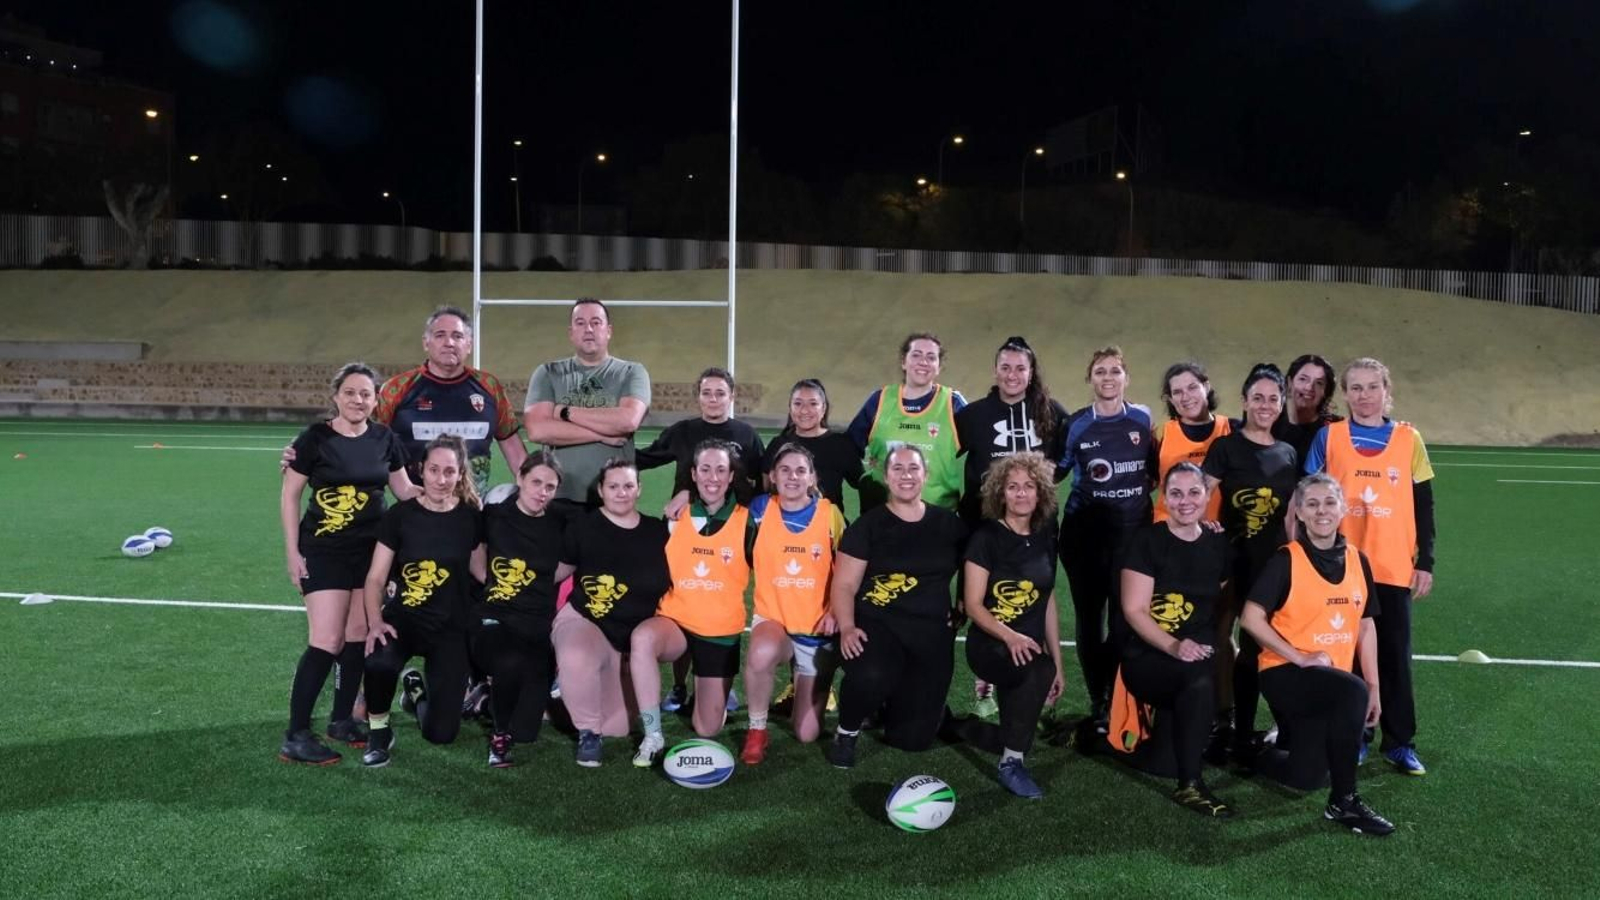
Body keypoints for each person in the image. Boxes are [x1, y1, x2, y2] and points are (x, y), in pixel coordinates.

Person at [278, 362, 418, 765]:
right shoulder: (314, 439)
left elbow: (404, 489)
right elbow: (290, 496)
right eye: (351, 393)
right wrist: (292, 553)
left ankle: (341, 720)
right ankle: (296, 735)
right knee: (327, 640)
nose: (358, 400)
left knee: (357, 636)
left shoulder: (384, 438)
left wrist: (447, 496)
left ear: (375, 401)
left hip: (371, 553)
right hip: (323, 550)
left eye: (366, 394)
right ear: (336, 397)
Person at [1241, 474, 1394, 836]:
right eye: (1311, 504)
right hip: (1285, 673)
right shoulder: (1285, 560)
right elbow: (1250, 618)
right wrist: (1298, 657)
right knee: (1352, 691)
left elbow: (1366, 626)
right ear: (1299, 513)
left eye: (1329, 502)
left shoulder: (1358, 560)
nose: (1321, 511)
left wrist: (1374, 686)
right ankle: (1344, 803)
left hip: (1329, 682)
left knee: (1306, 776)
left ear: (1342, 509)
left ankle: (1253, 753)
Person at [1304, 357, 1436, 776]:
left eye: (1373, 386)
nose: (1364, 395)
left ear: (1386, 390)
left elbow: (1424, 505)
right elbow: (1306, 495)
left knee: (1394, 658)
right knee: (1349, 659)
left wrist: (1426, 561)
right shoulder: (1328, 437)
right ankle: (1356, 736)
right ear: (1345, 394)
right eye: (1356, 388)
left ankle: (1400, 742)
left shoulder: (1409, 439)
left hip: (1393, 568)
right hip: (1340, 568)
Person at [827, 445, 968, 768]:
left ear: (925, 474)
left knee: (911, 741)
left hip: (930, 634)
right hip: (877, 625)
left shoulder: (949, 524)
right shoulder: (868, 526)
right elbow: (844, 585)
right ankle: (846, 732)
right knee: (873, 673)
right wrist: (847, 627)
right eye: (898, 469)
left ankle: (912, 705)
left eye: (913, 468)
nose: (906, 475)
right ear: (886, 477)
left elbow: (975, 563)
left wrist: (963, 601)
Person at [358, 435, 486, 768]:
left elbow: (482, 571)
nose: (441, 479)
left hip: (450, 628)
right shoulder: (400, 516)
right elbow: (375, 578)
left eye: (449, 472)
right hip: (405, 620)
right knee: (379, 661)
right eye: (434, 470)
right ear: (420, 470)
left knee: (441, 734)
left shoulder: (470, 517)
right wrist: (375, 622)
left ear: (460, 474)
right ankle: (379, 730)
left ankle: (415, 693)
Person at [1117, 463, 1234, 817]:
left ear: (1207, 495)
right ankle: (1191, 786)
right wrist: (1173, 645)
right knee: (1199, 681)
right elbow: (1134, 610)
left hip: (1193, 656)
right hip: (1148, 657)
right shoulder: (1147, 541)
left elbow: (1218, 602)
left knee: (1164, 762)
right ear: (1164, 498)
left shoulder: (1218, 543)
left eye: (1194, 492)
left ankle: (1094, 737)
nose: (1186, 501)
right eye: (1176, 494)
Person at [629, 440, 752, 767]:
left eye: (721, 470)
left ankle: (710, 691)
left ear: (731, 476)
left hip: (720, 632)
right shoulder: (675, 517)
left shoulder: (748, 521)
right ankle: (653, 734)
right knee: (642, 638)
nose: (713, 477)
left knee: (706, 728)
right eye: (705, 469)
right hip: (676, 623)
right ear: (694, 475)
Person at [1201, 363, 1300, 763]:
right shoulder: (1226, 447)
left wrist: (1295, 560)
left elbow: (1290, 515)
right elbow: (1202, 497)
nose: (1265, 405)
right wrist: (1204, 544)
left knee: (1258, 648)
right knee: (1221, 640)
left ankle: (1251, 731)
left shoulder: (1288, 452)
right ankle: (1227, 725)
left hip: (1270, 565)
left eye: (1273, 399)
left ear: (1281, 404)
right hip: (1231, 561)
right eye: (1257, 397)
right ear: (1244, 401)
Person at [1056, 346, 1154, 729]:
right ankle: (1099, 699)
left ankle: (1120, 696)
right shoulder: (1077, 424)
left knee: (1124, 621)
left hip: (1132, 539)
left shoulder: (1143, 419)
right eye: (1100, 371)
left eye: (1115, 371)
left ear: (1126, 377)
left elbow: (1154, 471)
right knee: (1089, 620)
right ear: (1090, 378)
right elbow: (1054, 472)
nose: (1108, 378)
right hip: (1085, 538)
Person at [552, 458, 671, 766]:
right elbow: (557, 571)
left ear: (639, 489)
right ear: (601, 491)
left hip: (633, 639)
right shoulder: (583, 527)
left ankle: (558, 700)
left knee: (617, 727)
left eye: (628, 486)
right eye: (613, 486)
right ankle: (588, 734)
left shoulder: (658, 531)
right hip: (588, 621)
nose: (621, 493)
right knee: (577, 656)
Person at [960, 452, 1065, 799]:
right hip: (990, 643)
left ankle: (964, 729)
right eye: (1013, 487)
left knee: (1039, 675)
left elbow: (1047, 599)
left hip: (1028, 647)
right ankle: (1011, 765)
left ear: (1040, 492)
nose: (1021, 493)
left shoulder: (1046, 535)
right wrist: (1011, 636)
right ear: (1000, 494)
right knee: (1035, 671)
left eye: (1029, 486)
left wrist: (1058, 664)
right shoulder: (985, 538)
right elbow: (973, 605)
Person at [741, 442, 847, 764]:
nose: (792, 477)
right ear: (772, 476)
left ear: (812, 478)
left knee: (806, 733)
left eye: (801, 470)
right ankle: (757, 729)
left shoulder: (830, 515)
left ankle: (809, 682)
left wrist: (835, 610)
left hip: (815, 628)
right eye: (784, 470)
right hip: (774, 619)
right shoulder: (760, 509)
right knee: (761, 651)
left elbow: (847, 570)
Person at [471, 451, 573, 768]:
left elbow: (570, 561)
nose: (542, 492)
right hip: (495, 618)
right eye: (536, 482)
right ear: (520, 478)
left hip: (536, 625)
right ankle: (499, 738)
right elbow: (475, 549)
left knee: (527, 731)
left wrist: (538, 581)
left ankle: (485, 698)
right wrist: (488, 578)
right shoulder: (494, 515)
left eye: (550, 487)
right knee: (509, 661)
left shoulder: (560, 523)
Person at [375, 306, 527, 496]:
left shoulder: (490, 386)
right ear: (426, 343)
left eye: (458, 336)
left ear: (469, 345)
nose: (449, 343)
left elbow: (512, 445)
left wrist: (529, 487)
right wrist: (405, 492)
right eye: (440, 335)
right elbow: (374, 444)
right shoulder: (396, 389)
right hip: (417, 504)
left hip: (474, 505)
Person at [524, 298, 652, 511]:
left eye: (596, 322)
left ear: (608, 330)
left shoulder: (631, 372)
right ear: (571, 332)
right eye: (580, 323)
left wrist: (564, 412)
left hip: (614, 499)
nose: (588, 329)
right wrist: (602, 435)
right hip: (559, 496)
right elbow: (537, 430)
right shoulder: (548, 373)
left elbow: (627, 421)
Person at [954, 336, 1069, 527]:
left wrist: (1049, 478)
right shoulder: (973, 415)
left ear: (1031, 373)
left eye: (1020, 368)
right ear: (995, 371)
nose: (1012, 375)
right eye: (1005, 368)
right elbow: (942, 451)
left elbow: (1070, 451)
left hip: (1038, 524)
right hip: (981, 523)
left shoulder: (1052, 412)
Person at [848, 333, 966, 512]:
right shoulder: (880, 400)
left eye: (931, 357)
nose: (923, 362)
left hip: (938, 515)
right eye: (916, 355)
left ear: (939, 367)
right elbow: (848, 448)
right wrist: (864, 482)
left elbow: (981, 447)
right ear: (904, 362)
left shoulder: (953, 403)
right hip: (883, 514)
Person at [639, 366, 764, 500]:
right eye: (706, 393)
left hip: (734, 512)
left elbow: (763, 480)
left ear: (731, 397)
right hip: (686, 511)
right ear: (698, 397)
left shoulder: (747, 435)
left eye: (720, 393)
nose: (713, 399)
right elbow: (644, 459)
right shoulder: (681, 431)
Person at [760, 378, 864, 511]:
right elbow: (766, 488)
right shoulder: (777, 444)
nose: (804, 410)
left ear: (823, 408)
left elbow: (862, 483)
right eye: (798, 403)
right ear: (790, 408)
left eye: (813, 404)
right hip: (784, 522)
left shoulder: (841, 445)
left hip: (828, 522)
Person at [1152, 361, 1229, 524]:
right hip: (1170, 531)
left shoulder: (1231, 429)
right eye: (1177, 392)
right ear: (1171, 399)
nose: (1186, 397)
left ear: (1206, 387)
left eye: (1192, 387)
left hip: (1218, 531)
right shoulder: (1161, 434)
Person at [1273, 353, 1343, 463]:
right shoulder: (1269, 423)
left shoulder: (1338, 429)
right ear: (1289, 383)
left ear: (1326, 392)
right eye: (1303, 379)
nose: (1309, 387)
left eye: (1319, 383)